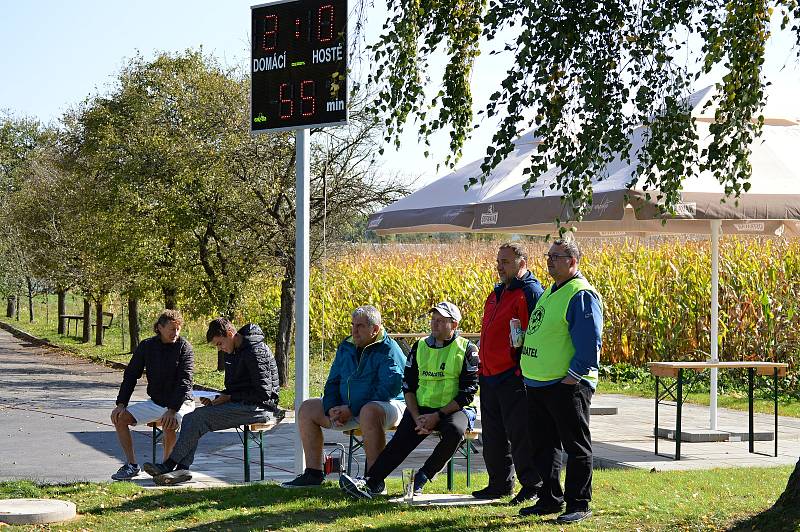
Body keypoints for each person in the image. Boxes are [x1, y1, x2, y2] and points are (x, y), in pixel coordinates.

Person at [339, 302, 479, 499]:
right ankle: (371, 482)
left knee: (455, 431)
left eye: (440, 321)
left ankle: (423, 477)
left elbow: (467, 393)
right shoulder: (419, 346)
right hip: (420, 409)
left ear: (454, 325)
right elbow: (408, 386)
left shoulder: (467, 349)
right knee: (399, 443)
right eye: (433, 320)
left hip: (453, 410)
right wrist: (416, 416)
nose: (434, 324)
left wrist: (437, 416)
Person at [518, 239, 602, 524]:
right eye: (548, 255)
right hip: (539, 384)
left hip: (566, 385)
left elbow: (590, 342)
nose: (550, 260)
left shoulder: (580, 294)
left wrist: (573, 377)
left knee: (575, 446)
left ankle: (578, 502)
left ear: (573, 261)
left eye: (557, 256)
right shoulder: (551, 291)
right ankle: (549, 499)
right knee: (543, 446)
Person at [141, 318, 281, 486]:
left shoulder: (255, 351)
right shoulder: (234, 352)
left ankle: (169, 466)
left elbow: (264, 394)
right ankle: (181, 469)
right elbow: (234, 388)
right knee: (193, 418)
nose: (220, 349)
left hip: (261, 408)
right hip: (244, 403)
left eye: (220, 343)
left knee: (198, 418)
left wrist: (229, 398)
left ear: (230, 334)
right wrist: (218, 398)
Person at [282, 305, 406, 488]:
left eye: (360, 326)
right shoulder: (346, 346)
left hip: (389, 406)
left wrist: (352, 408)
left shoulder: (389, 349)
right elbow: (333, 381)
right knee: (307, 408)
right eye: (353, 325)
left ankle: (374, 480)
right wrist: (331, 407)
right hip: (349, 408)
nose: (354, 331)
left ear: (375, 329)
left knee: (369, 411)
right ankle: (313, 474)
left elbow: (388, 389)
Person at [473, 242, 544, 504]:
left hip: (513, 375)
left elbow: (533, 337)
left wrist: (520, 369)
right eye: (498, 261)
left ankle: (532, 485)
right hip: (489, 374)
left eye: (505, 261)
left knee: (520, 433)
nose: (499, 266)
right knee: (493, 434)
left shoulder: (530, 292)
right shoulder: (497, 293)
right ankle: (499, 484)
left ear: (522, 263)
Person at [110, 309, 195, 481]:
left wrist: (172, 409)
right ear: (159, 328)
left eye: (178, 329)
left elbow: (185, 382)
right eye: (172, 329)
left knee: (169, 421)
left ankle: (165, 468)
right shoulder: (147, 346)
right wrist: (121, 404)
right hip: (156, 402)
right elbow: (131, 375)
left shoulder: (184, 348)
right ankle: (132, 465)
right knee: (120, 418)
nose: (175, 333)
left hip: (181, 403)